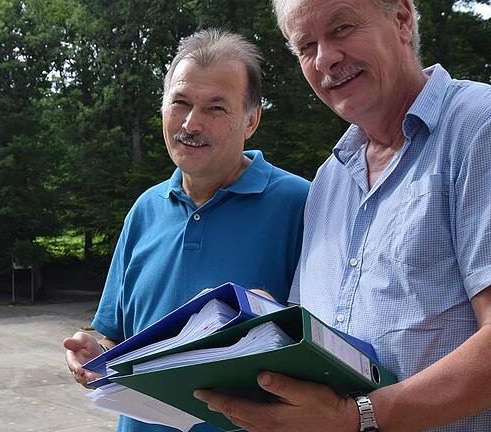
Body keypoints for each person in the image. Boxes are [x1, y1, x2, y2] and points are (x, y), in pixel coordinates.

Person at [194, 1, 491, 431]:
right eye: (306, 45)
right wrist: (256, 325)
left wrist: (356, 418)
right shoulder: (330, 178)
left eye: (343, 28)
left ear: (403, 20)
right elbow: (318, 329)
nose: (325, 58)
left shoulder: (478, 127)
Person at [63, 29, 310, 432]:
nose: (191, 123)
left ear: (251, 119)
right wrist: (94, 352)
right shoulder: (145, 208)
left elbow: (326, 342)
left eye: (216, 108)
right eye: (180, 103)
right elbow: (114, 335)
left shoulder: (299, 204)